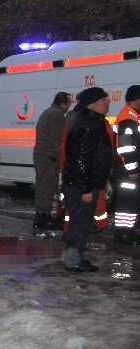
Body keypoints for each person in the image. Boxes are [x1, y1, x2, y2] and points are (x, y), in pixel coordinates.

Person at [62, 87, 112, 272]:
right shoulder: (88, 125)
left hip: (84, 183)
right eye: (103, 101)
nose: (107, 103)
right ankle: (73, 261)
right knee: (80, 224)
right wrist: (85, 189)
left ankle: (74, 258)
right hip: (83, 185)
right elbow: (81, 160)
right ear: (92, 104)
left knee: (80, 223)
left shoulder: (89, 121)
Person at [33, 92, 71, 231]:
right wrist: (63, 160)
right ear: (63, 103)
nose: (69, 106)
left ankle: (41, 215)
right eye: (69, 103)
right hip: (49, 156)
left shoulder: (47, 112)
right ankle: (44, 217)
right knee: (48, 187)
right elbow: (58, 140)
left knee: (42, 185)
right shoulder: (57, 115)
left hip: (42, 155)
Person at [111, 85, 140, 245]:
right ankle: (122, 233)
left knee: (131, 201)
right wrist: (133, 168)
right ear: (137, 100)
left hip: (128, 170)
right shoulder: (128, 118)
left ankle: (128, 231)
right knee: (125, 201)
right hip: (127, 171)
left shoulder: (133, 116)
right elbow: (126, 147)